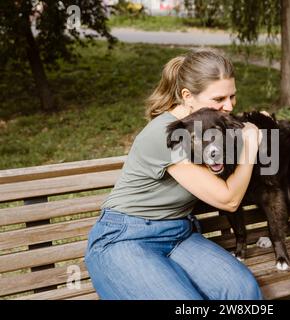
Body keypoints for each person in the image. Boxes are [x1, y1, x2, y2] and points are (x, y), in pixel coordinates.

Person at [84, 50, 264, 300]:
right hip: (125, 238)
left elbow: (265, 146)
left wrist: (262, 125)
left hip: (180, 234)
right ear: (187, 96)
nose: (230, 106)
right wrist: (250, 148)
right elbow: (228, 200)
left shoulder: (212, 127)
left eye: (233, 96)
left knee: (243, 293)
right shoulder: (167, 134)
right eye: (219, 98)